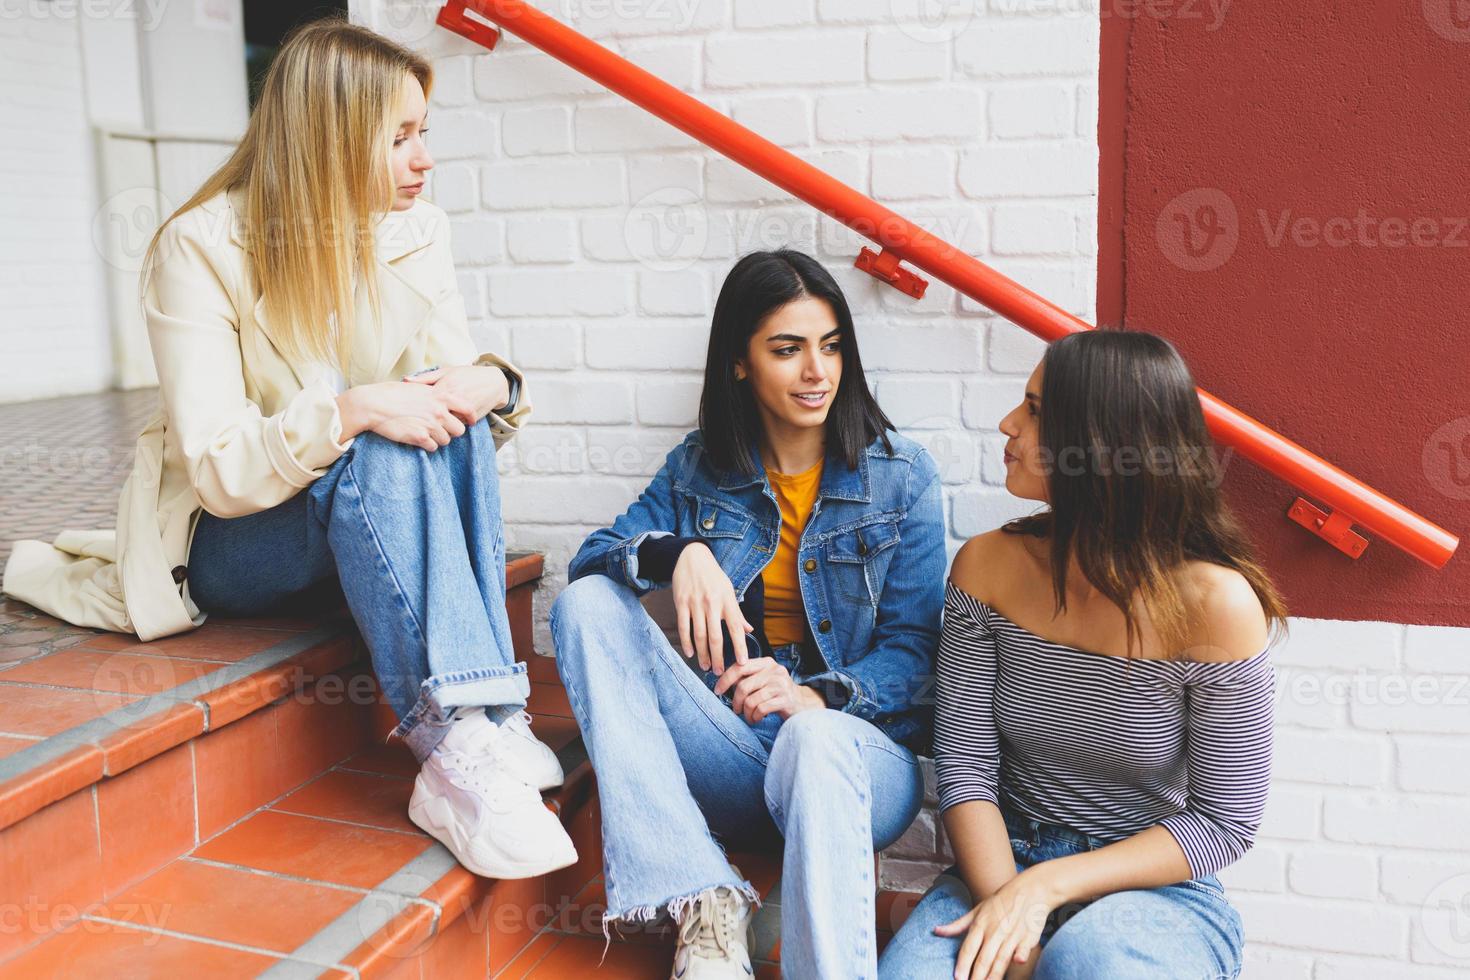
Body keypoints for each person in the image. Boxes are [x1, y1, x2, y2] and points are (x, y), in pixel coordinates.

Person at [1, 17, 575, 880]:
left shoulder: (416, 228)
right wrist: (348, 411)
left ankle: (486, 715)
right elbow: (221, 469)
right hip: (233, 538)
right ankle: (455, 743)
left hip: (363, 505)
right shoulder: (199, 246)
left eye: (427, 133)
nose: (425, 159)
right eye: (402, 137)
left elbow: (448, 398)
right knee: (382, 437)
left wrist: (497, 384)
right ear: (332, 137)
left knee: (432, 408)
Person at [549, 249, 947, 979]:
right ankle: (702, 894)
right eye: (787, 350)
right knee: (585, 604)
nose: (817, 372)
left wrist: (814, 697)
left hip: (856, 763)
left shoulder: (903, 477)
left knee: (817, 741)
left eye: (830, 347)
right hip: (734, 747)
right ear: (740, 363)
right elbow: (593, 557)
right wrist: (677, 555)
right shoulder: (699, 470)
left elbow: (918, 657)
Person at [878, 329, 1285, 980]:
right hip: (1000, 866)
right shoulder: (986, 567)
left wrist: (1048, 890)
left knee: (1088, 961)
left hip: (1155, 894)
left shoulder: (1217, 604)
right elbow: (966, 768)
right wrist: (1010, 900)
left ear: (1103, 443)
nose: (1009, 424)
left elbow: (1223, 821)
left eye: (1036, 411)